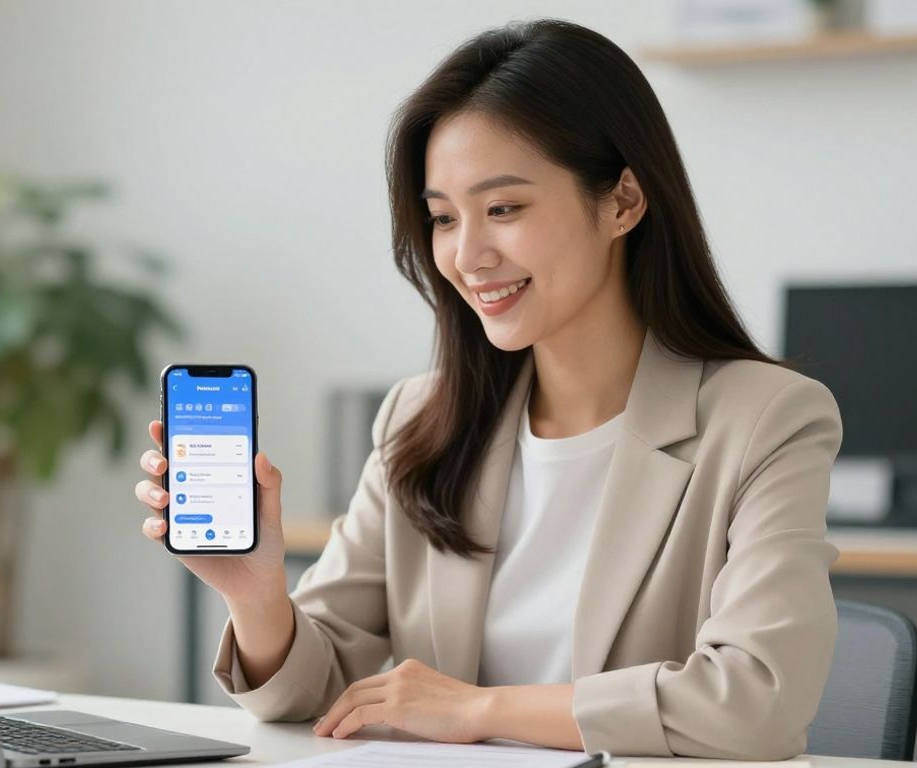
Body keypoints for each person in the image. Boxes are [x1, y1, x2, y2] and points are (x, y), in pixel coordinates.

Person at [133, 18, 841, 760]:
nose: (467, 256)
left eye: (504, 208)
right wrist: (255, 592)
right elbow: (308, 689)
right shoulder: (421, 418)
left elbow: (756, 700)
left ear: (623, 202)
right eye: (442, 218)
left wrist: (477, 710)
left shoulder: (767, 418)